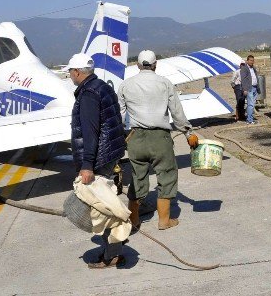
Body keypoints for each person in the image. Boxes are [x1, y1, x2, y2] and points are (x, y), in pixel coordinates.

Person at [118, 50, 198, 231]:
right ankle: (164, 221)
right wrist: (188, 133)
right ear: (155, 65)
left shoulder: (125, 85)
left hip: (136, 138)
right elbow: (177, 113)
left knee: (137, 179)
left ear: (137, 65)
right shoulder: (165, 83)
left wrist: (118, 139)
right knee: (167, 176)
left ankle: (134, 221)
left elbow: (119, 116)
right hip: (160, 138)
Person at [66, 52, 127, 268]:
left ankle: (112, 254)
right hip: (109, 153)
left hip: (99, 158)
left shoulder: (89, 94)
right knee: (106, 202)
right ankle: (114, 249)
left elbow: (90, 132)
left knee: (101, 206)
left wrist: (87, 164)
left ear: (77, 72)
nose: (70, 76)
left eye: (70, 72)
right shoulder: (102, 86)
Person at [240, 55, 260, 124]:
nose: (252, 62)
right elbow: (243, 79)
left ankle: (250, 118)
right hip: (249, 88)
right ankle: (249, 120)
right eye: (251, 60)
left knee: (252, 104)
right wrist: (245, 89)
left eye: (253, 60)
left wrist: (258, 87)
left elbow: (255, 77)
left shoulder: (253, 68)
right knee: (250, 104)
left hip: (255, 88)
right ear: (247, 61)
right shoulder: (244, 68)